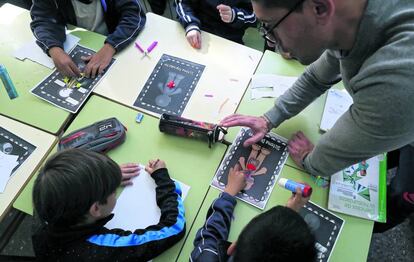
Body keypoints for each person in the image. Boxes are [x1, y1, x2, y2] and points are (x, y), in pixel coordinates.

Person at [220, 0, 414, 232]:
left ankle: (375, 229)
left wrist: (310, 159)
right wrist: (269, 118)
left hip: (402, 108)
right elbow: (316, 78)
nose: (272, 41)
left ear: (320, 8)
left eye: (270, 26)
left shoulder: (396, 85)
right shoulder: (346, 16)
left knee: (400, 195)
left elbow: (320, 164)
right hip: (397, 113)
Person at [32, 149, 185, 261]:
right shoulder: (104, 250)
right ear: (96, 208)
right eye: (112, 189)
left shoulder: (45, 203)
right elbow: (173, 228)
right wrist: (164, 181)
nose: (114, 189)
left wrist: (100, 178)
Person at [190, 164, 316, 261]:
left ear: (232, 247)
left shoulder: (205, 257)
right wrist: (289, 214)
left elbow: (210, 235)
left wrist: (228, 193)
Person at [30, 0, 146, 78]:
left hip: (115, 38)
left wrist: (111, 47)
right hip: (81, 39)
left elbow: (134, 15)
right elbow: (43, 20)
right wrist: (54, 49)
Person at [175, 0, 257, 49]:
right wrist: (191, 24)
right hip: (198, 32)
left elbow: (255, 17)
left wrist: (235, 15)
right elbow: (182, 3)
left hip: (230, 40)